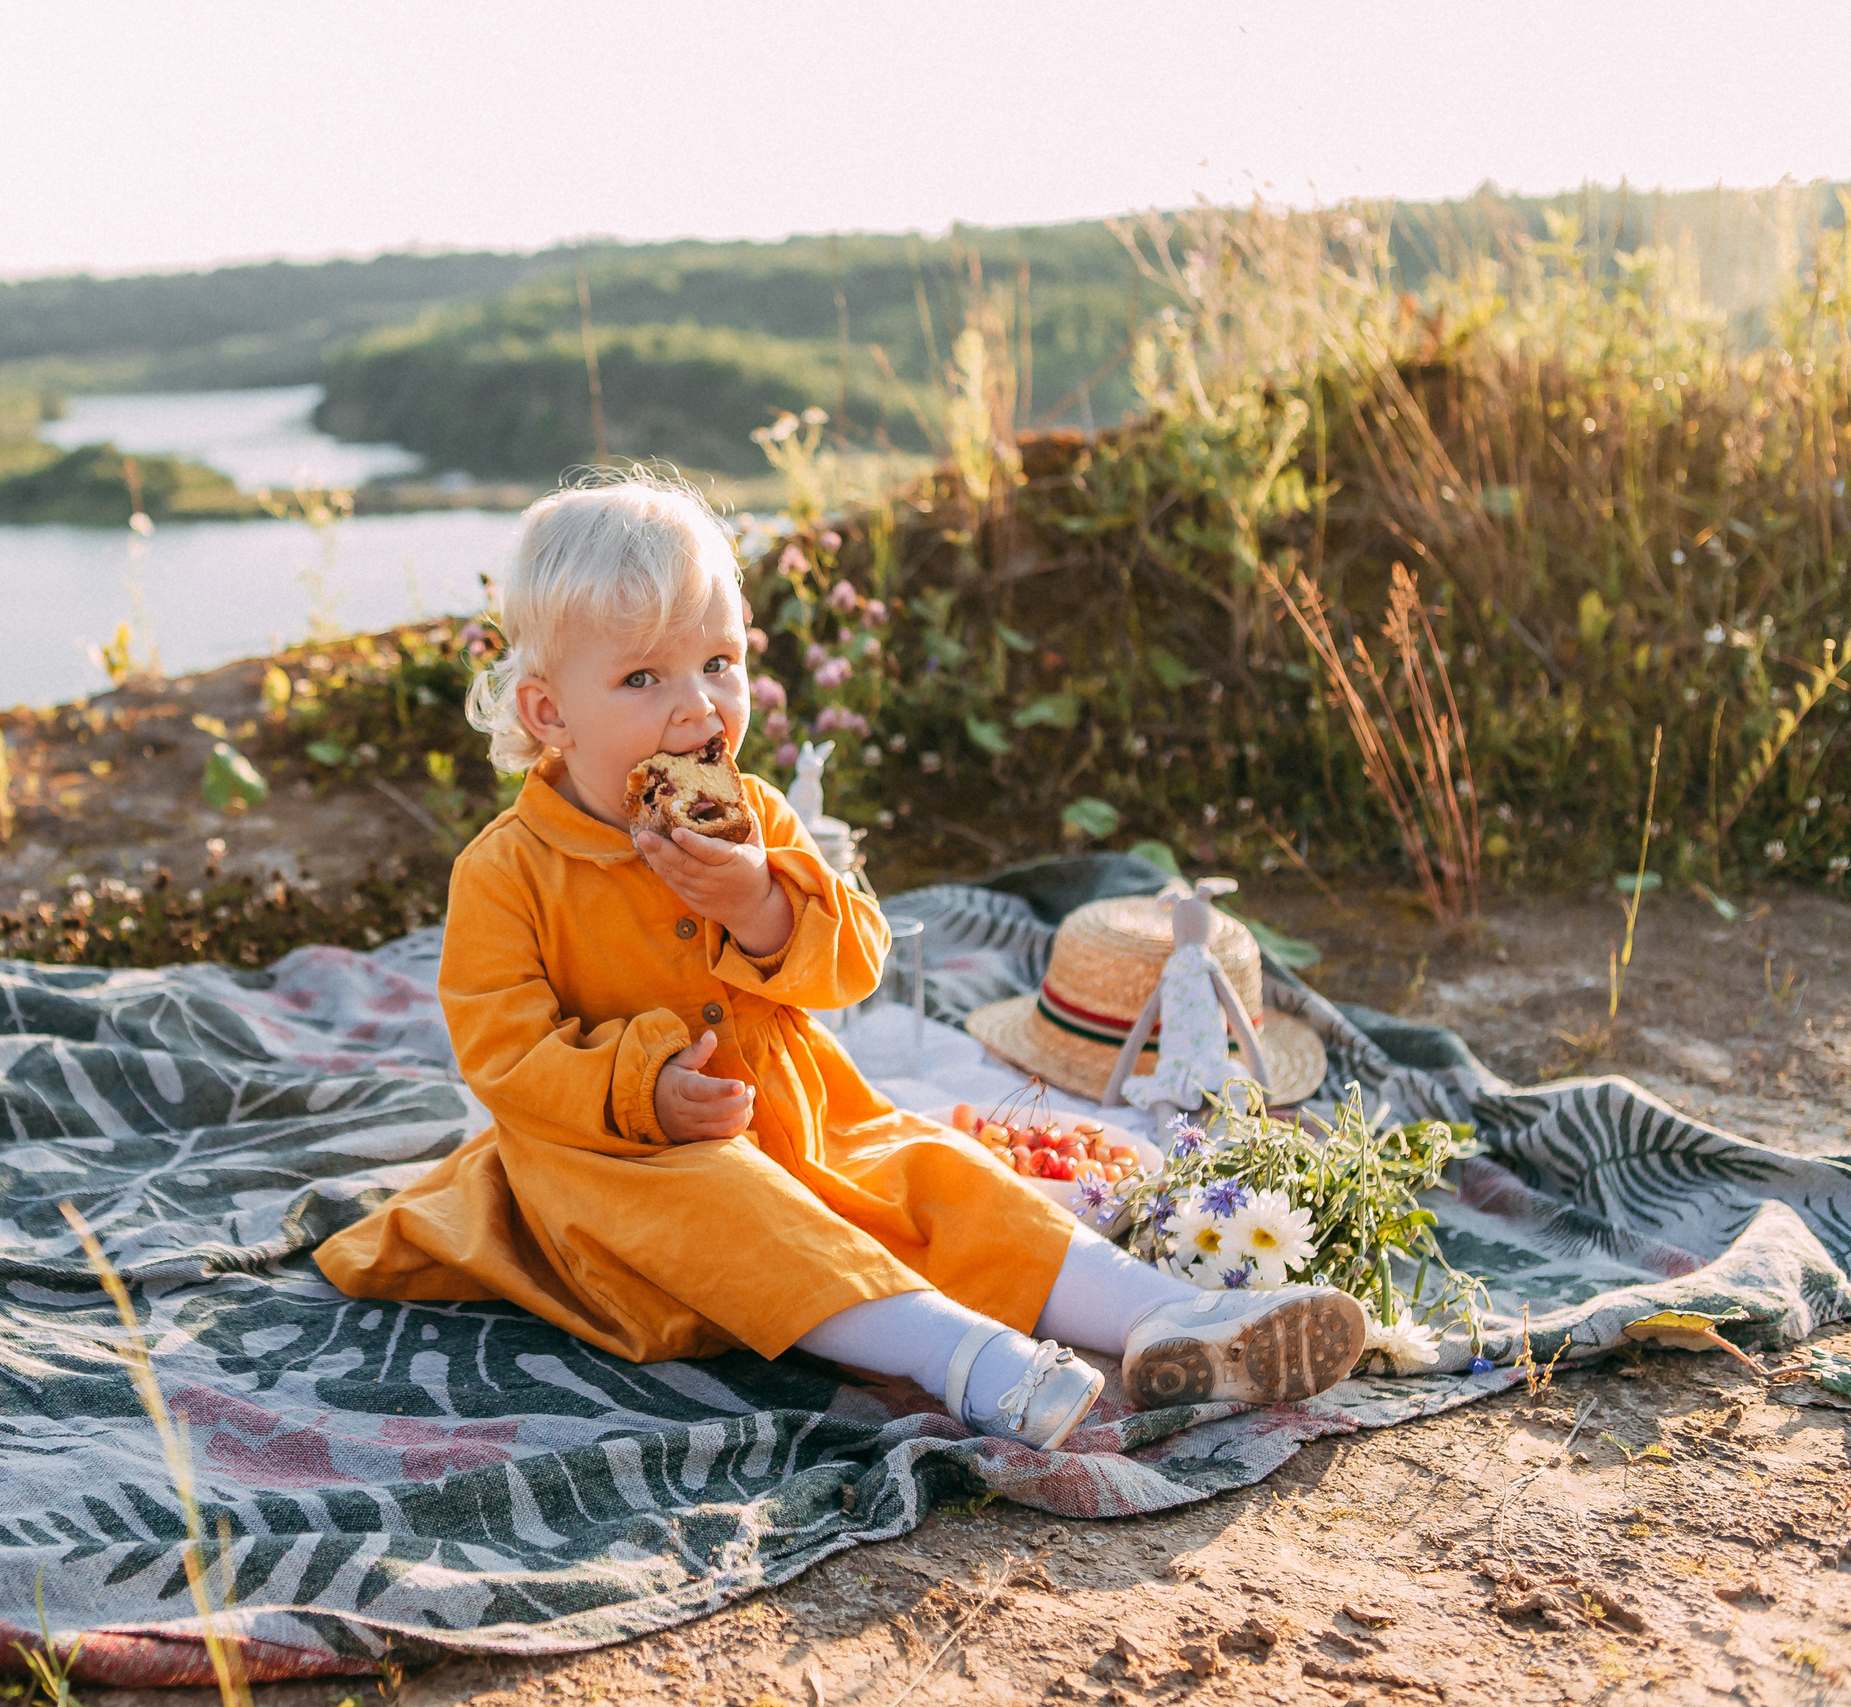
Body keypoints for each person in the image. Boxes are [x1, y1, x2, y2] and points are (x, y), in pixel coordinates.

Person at [314, 475, 1365, 1448]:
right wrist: (642, 1089)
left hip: (805, 1116)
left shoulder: (757, 817)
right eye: (641, 677)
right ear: (549, 713)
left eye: (718, 664)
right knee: (733, 1204)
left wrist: (762, 905)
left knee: (946, 1177)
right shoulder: (507, 870)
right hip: (617, 1167)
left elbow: (854, 963)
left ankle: (1177, 1316)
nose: (696, 708)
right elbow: (501, 1053)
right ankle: (963, 1356)